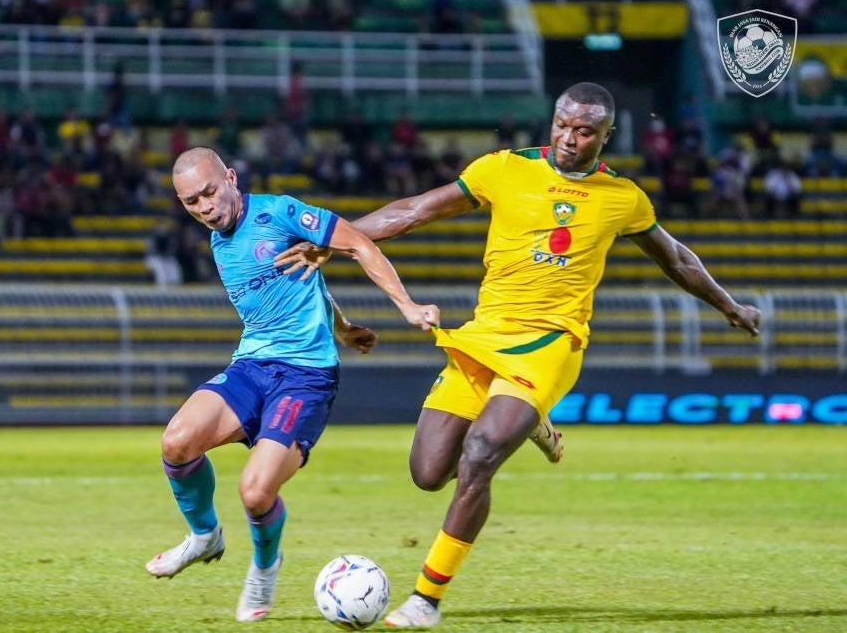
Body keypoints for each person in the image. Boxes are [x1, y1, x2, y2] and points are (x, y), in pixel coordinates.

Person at [275, 83, 762, 629]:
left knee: (481, 452)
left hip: (550, 344)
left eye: (584, 131)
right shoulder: (502, 169)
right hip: (485, 337)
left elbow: (677, 260)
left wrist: (730, 305)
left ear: (606, 136)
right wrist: (336, 242)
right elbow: (414, 210)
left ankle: (425, 600)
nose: (569, 138)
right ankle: (535, 424)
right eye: (562, 124)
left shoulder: (623, 198)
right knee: (428, 472)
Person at [145, 147, 439, 622]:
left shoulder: (279, 212)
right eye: (191, 202)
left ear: (232, 179)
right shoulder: (221, 243)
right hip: (252, 367)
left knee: (255, 492)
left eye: (209, 192)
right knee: (177, 442)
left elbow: (358, 242)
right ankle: (205, 536)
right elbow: (301, 285)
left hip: (305, 378)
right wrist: (343, 325)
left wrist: (406, 306)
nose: (204, 208)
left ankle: (265, 568)